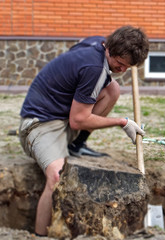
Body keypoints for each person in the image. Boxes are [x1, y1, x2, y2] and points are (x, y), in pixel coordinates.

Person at [18, 25, 149, 236]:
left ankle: (76, 145)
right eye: (119, 63)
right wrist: (122, 122)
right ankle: (40, 235)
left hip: (61, 118)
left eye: (128, 67)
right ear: (111, 49)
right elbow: (78, 120)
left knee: (112, 88)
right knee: (57, 178)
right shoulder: (94, 69)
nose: (122, 70)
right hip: (39, 125)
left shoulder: (97, 43)